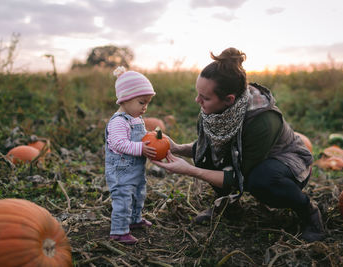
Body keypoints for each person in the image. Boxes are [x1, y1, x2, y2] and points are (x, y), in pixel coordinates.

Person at [152, 48, 325, 242]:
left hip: (287, 163)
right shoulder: (213, 113)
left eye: (205, 98)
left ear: (229, 100)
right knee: (205, 155)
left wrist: (190, 170)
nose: (197, 100)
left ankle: (308, 212)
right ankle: (228, 205)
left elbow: (240, 176)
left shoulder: (262, 120)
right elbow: (206, 148)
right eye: (198, 94)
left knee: (260, 180)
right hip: (249, 161)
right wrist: (176, 148)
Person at [105, 66, 157, 244]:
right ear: (125, 99)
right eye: (142, 102)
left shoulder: (135, 118)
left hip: (135, 170)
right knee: (123, 199)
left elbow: (138, 137)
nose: (145, 108)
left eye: (147, 103)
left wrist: (154, 139)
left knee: (138, 194)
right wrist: (140, 148)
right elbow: (118, 143)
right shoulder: (118, 122)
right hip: (121, 172)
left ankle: (134, 220)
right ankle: (118, 231)